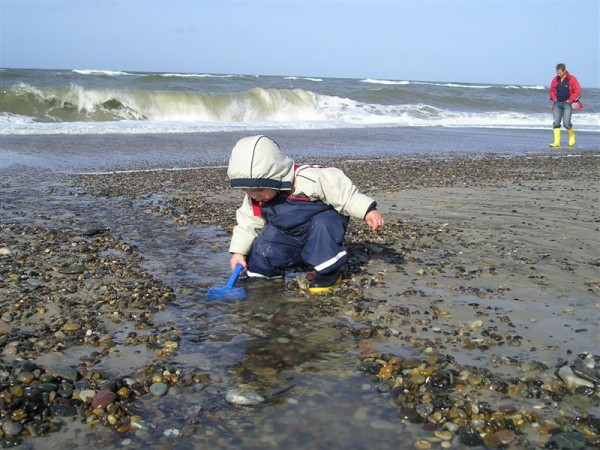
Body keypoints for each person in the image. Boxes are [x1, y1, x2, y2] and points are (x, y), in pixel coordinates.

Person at [226, 135, 385, 294]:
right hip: (288, 234)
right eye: (247, 190)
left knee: (323, 225)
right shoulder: (255, 198)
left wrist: (367, 211)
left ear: (275, 178)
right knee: (263, 244)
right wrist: (238, 252)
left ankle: (328, 272)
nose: (254, 195)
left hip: (319, 228)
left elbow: (346, 196)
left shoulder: (310, 179)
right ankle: (264, 278)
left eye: (259, 190)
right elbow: (247, 224)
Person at [548, 63, 582, 148]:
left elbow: (578, 91)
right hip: (557, 103)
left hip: (567, 104)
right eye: (557, 73)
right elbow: (551, 90)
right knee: (556, 123)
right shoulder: (555, 79)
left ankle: (572, 136)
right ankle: (556, 142)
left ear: (564, 71)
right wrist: (554, 98)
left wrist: (570, 100)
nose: (558, 74)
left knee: (566, 123)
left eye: (560, 73)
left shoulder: (572, 79)